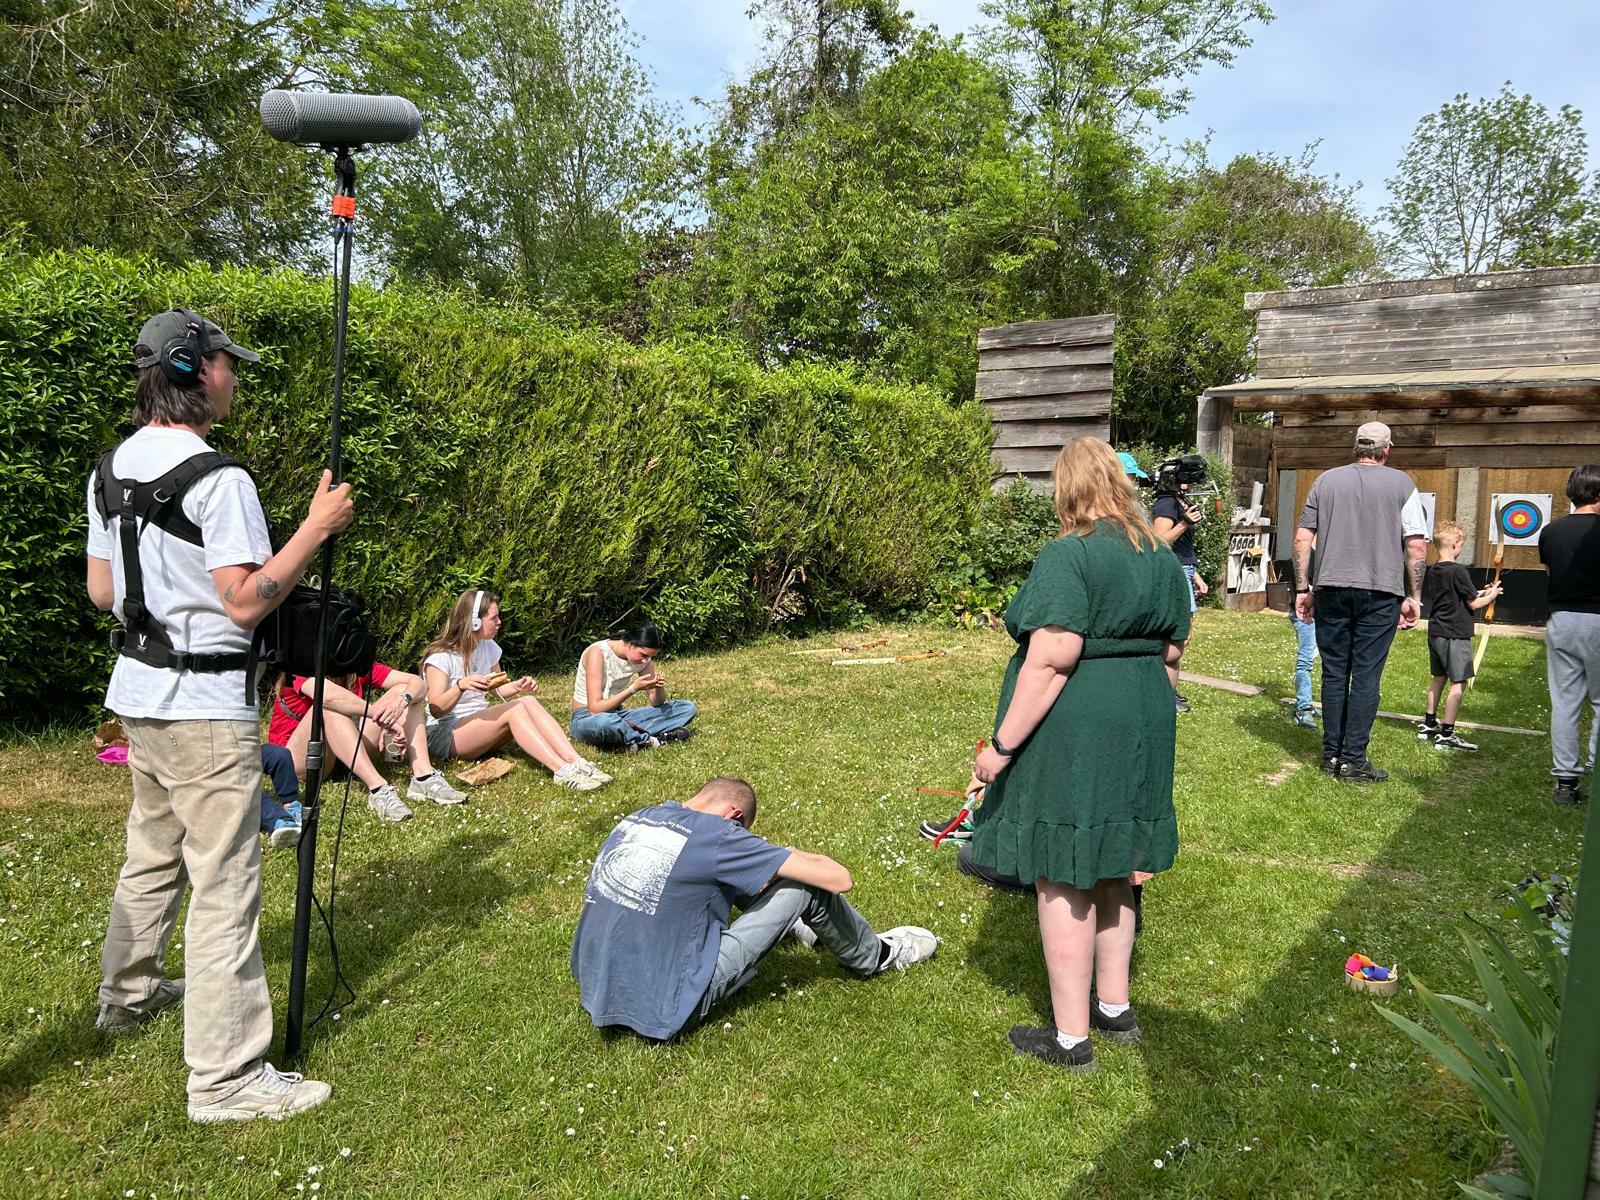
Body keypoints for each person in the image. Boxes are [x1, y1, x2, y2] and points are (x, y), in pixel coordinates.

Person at [86, 307, 350, 1121]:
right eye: (227, 364)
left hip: (138, 696)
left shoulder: (110, 469)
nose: (233, 376)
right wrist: (314, 529)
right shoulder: (219, 478)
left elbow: (102, 591)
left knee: (152, 854)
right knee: (225, 883)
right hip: (204, 706)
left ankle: (127, 996)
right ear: (193, 369)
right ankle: (226, 1077)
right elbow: (244, 600)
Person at [967, 437, 1191, 1072]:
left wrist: (1001, 748)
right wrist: (1150, 725)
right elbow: (1172, 655)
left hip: (1081, 724)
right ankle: (1115, 1008)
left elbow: (1053, 656)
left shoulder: (1070, 554)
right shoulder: (1159, 556)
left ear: (1067, 489)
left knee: (1063, 867)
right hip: (1144, 716)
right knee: (1116, 862)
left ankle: (1071, 1038)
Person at [571, 776, 937, 1040]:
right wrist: (784, 854)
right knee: (805, 886)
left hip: (597, 985)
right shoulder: (720, 834)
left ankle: (797, 924)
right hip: (666, 1005)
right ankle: (876, 956)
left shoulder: (640, 817)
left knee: (722, 877)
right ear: (734, 815)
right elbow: (838, 879)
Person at [1293, 421, 1429, 783]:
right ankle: (1353, 760)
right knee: (1366, 674)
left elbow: (1302, 539)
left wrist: (1303, 589)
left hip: (1331, 588)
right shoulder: (1403, 483)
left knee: (1334, 672)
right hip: (1381, 592)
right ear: (1387, 449)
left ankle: (1331, 755)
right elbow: (1416, 545)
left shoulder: (1325, 481)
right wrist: (1415, 597)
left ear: (1356, 447)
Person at [422, 589, 609, 790]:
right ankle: (561, 770)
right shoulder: (441, 656)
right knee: (515, 709)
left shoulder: (487, 646)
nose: (499, 622)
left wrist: (518, 686)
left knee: (528, 701)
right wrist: (460, 686)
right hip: (446, 734)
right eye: (494, 618)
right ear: (474, 622)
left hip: (477, 726)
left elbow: (498, 689)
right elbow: (436, 709)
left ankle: (576, 761)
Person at [268, 658, 467, 823]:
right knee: (327, 705)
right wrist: (381, 717)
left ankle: (423, 777)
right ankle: (378, 788)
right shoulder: (300, 664)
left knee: (404, 692)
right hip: (299, 761)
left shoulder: (353, 664)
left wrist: (400, 704)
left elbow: (418, 683)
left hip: (342, 753)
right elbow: (329, 697)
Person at [1539, 463, 1600, 806]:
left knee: (1565, 702)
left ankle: (1566, 781)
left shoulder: (1551, 531)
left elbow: (1552, 572)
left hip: (1561, 620)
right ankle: (1596, 769)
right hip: (1597, 619)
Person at [1418, 521, 1502, 751]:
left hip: (1437, 631)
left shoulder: (1435, 570)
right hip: (1455, 634)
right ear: (1455, 544)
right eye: (1462, 544)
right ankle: (1447, 734)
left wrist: (1485, 591)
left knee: (1438, 678)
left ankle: (1428, 725)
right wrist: (1492, 596)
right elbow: (1473, 603)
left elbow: (1461, 594)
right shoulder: (1458, 571)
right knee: (1458, 682)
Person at [570, 623, 697, 751]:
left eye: (650, 657)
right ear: (631, 644)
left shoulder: (643, 661)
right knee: (605, 722)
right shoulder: (597, 653)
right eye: (643, 655)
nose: (645, 660)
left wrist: (658, 687)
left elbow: (656, 702)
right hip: (587, 718)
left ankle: (626, 738)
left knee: (686, 708)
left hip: (618, 715)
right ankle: (652, 741)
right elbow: (594, 709)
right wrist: (633, 689)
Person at [1150, 475, 1205, 713]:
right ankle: (1163, 693)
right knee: (1176, 639)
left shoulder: (1175, 501)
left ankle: (1167, 691)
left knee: (1181, 637)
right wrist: (1184, 523)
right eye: (1185, 478)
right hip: (1175, 572)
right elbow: (1159, 541)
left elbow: (1181, 549)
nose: (1191, 483)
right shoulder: (1166, 504)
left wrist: (1195, 575)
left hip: (1184, 570)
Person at [259, 743, 303, 849]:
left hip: (240, 751)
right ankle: (281, 822)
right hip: (220, 764)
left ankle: (291, 805)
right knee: (249, 792)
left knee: (280, 755)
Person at [1290, 607, 1318, 729]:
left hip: (1319, 612)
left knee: (1311, 656)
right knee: (1305, 661)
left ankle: (1307, 706)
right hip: (1304, 613)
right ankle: (1303, 709)